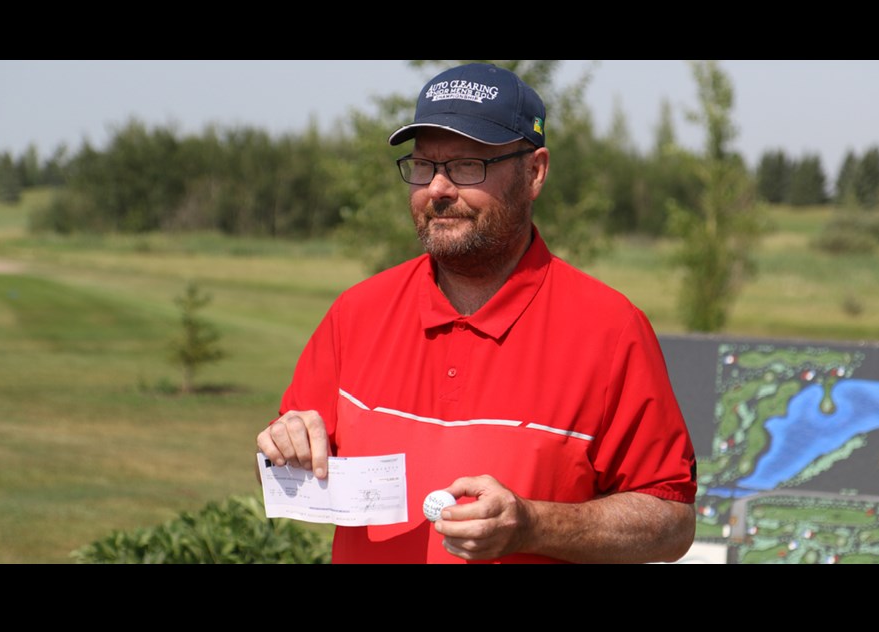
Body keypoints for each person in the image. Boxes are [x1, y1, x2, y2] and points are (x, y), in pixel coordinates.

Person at [257, 62, 697, 564]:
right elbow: (280, 471)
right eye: (424, 165)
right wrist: (280, 448)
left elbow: (670, 521)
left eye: (468, 165)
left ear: (535, 172)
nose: (438, 189)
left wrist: (533, 524)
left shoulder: (611, 330)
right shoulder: (357, 312)